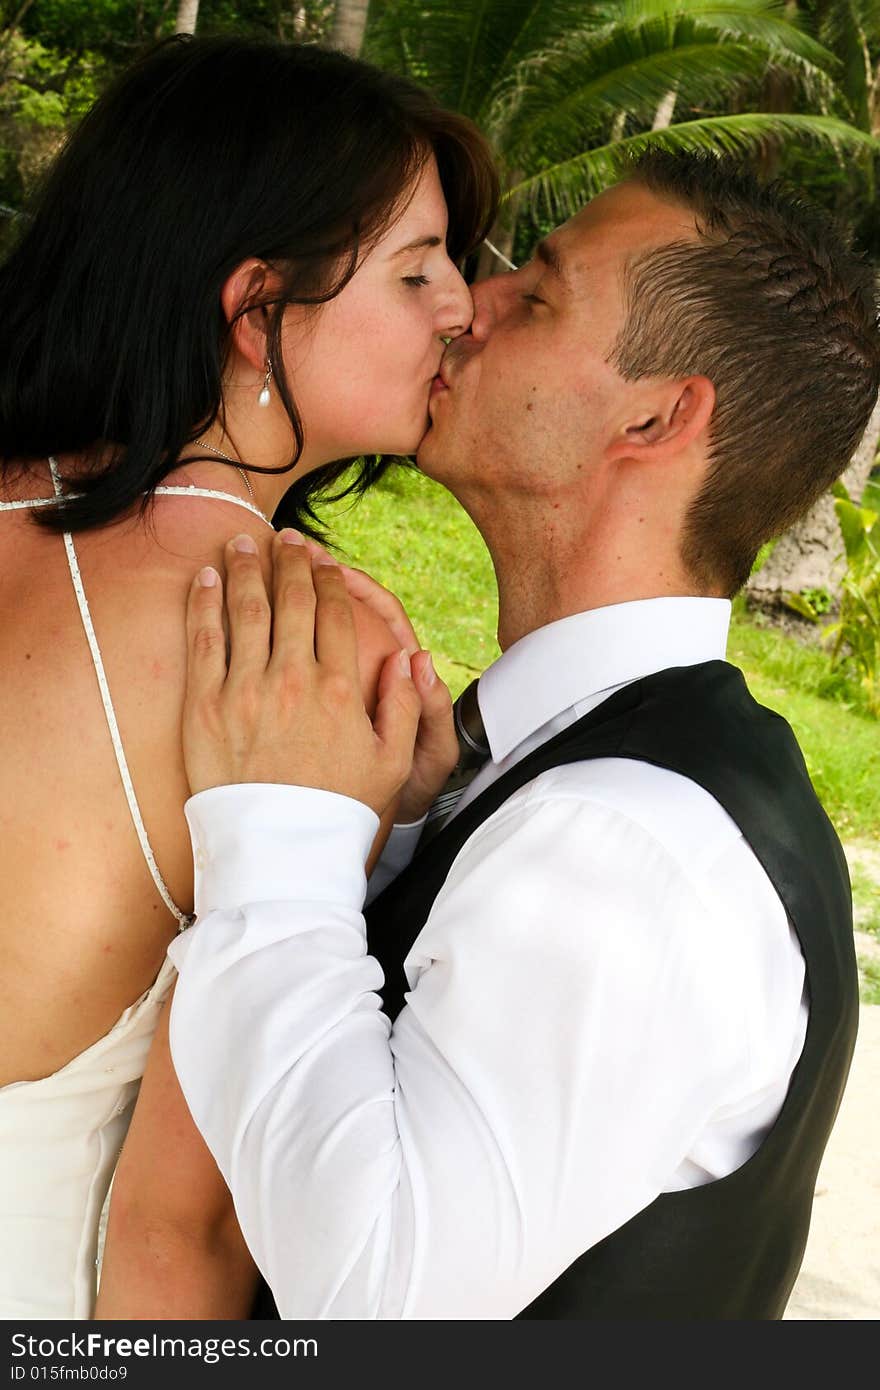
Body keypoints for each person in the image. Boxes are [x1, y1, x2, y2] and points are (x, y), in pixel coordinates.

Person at [105, 154, 877, 1320]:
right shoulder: (561, 771)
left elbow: (380, 1288)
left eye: (543, 290)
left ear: (656, 414)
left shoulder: (628, 841)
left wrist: (286, 832)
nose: (474, 302)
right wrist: (396, 827)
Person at [0, 33, 497, 1320]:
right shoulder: (295, 642)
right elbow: (196, 1229)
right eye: (415, 269)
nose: (461, 306)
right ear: (257, 308)